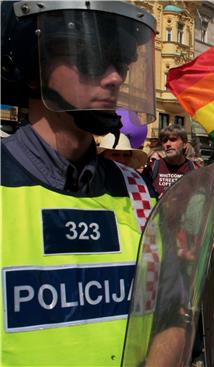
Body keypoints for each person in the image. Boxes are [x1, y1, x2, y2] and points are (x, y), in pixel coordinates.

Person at [0, 1, 157, 364]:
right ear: (31, 67)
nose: (115, 77)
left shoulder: (137, 191)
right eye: (90, 57)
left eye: (122, 62)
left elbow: (166, 313)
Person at [143, 124, 200, 196]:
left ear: (184, 144)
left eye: (173, 140)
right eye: (164, 141)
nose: (168, 144)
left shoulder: (195, 169)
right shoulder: (152, 168)